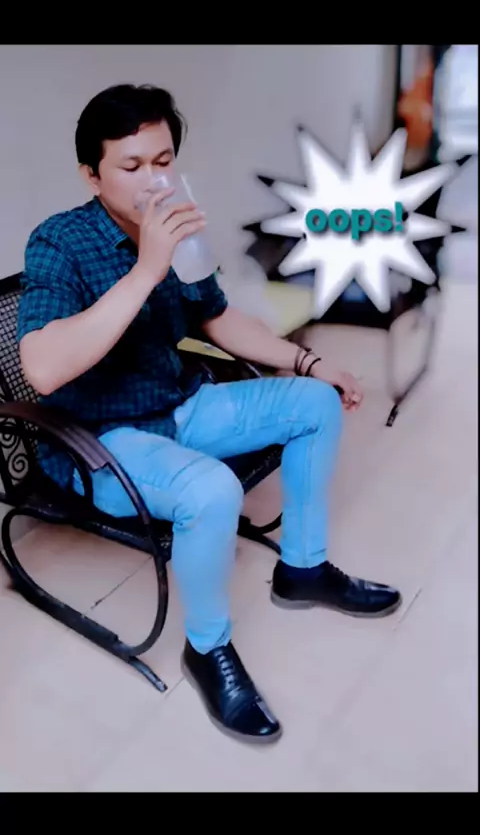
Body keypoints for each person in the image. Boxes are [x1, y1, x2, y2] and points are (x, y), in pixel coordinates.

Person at [18, 84, 402, 744]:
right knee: (213, 490)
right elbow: (43, 369)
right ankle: (207, 649)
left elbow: (218, 319)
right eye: (131, 166)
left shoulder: (177, 224)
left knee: (314, 403)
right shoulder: (59, 242)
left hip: (181, 405)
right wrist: (146, 267)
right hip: (105, 440)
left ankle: (303, 569)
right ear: (91, 174)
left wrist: (309, 361)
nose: (154, 180)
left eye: (164, 161)